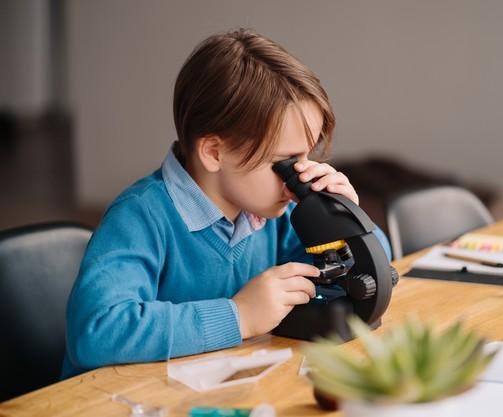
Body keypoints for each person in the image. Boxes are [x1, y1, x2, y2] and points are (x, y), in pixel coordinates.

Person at [62, 29, 391, 378]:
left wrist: (347, 220)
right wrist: (240, 316)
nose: (300, 174)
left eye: (306, 156)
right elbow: (96, 331)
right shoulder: (140, 217)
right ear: (215, 153)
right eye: (284, 161)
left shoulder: (274, 211)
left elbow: (370, 272)